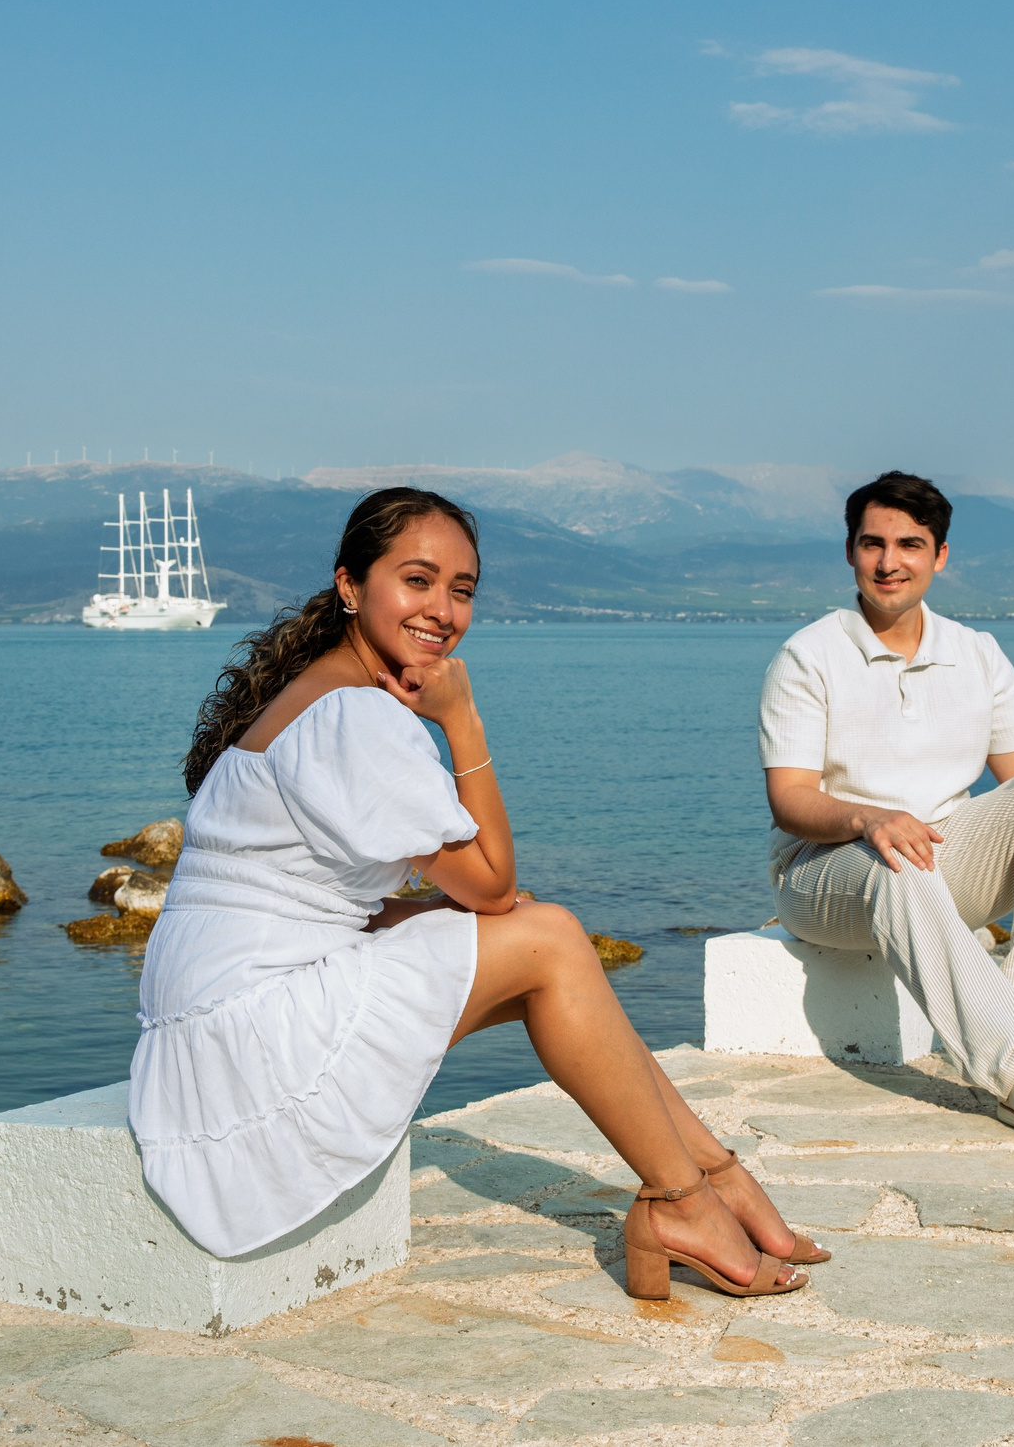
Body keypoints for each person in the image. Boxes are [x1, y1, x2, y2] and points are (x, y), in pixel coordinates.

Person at [131, 487, 815, 1298]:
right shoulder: (356, 717)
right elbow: (491, 883)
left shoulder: (322, 694)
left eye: (462, 589)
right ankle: (681, 1198)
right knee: (548, 938)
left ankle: (712, 1178)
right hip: (244, 1045)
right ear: (350, 585)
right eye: (417, 580)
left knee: (542, 945)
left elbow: (327, 894)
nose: (443, 609)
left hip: (212, 1025)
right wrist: (463, 722)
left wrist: (464, 911)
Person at [759, 471, 1014, 1140]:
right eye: (872, 544)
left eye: (909, 544)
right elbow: (790, 800)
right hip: (825, 874)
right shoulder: (808, 656)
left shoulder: (976, 653)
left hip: (936, 861)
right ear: (849, 551)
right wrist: (867, 817)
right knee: (896, 854)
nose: (889, 562)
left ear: (940, 555)